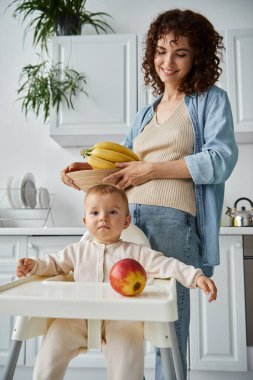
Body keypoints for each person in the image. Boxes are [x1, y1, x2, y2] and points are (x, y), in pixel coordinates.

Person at [60, 8, 238, 379]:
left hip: (173, 221)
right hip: (129, 221)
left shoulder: (210, 100)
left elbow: (220, 159)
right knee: (130, 320)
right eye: (160, 50)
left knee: (167, 328)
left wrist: (152, 170)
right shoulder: (146, 112)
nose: (167, 61)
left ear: (198, 56)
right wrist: (88, 171)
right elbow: (124, 169)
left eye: (180, 52)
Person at [16, 184, 217, 380]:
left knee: (128, 362)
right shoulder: (76, 251)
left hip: (122, 320)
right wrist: (34, 266)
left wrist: (195, 277)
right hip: (77, 317)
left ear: (126, 221)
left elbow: (166, 265)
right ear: (85, 220)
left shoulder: (136, 252)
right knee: (51, 347)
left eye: (112, 212)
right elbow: (53, 264)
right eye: (94, 213)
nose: (103, 217)